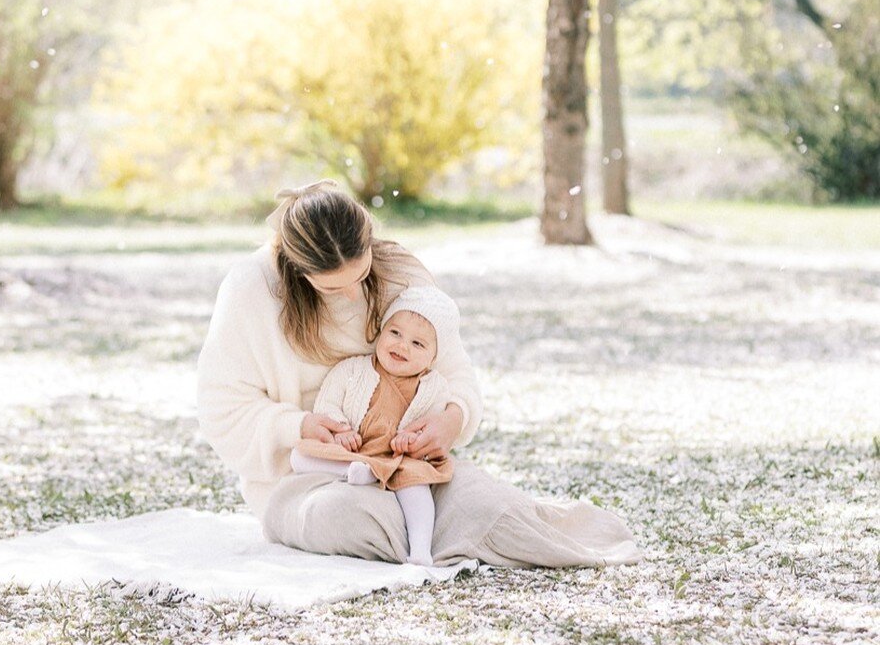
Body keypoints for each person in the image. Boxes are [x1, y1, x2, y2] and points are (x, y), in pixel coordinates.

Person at [196, 180, 641, 569]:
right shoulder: (252, 291)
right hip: (308, 480)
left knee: (484, 501)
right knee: (347, 516)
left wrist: (450, 420)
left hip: (404, 463)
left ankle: (453, 526)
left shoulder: (401, 275)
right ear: (297, 271)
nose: (352, 295)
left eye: (361, 273)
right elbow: (223, 409)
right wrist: (301, 426)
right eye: (332, 287)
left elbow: (455, 372)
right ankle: (432, 535)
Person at [289, 284, 461, 566]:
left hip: (397, 459)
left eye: (418, 344)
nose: (402, 345)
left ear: (432, 358)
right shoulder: (352, 369)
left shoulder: (434, 388)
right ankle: (356, 472)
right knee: (299, 454)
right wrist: (342, 430)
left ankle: (420, 550)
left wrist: (409, 440)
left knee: (417, 487)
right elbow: (327, 402)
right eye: (395, 333)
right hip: (354, 452)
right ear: (381, 332)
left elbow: (428, 426)